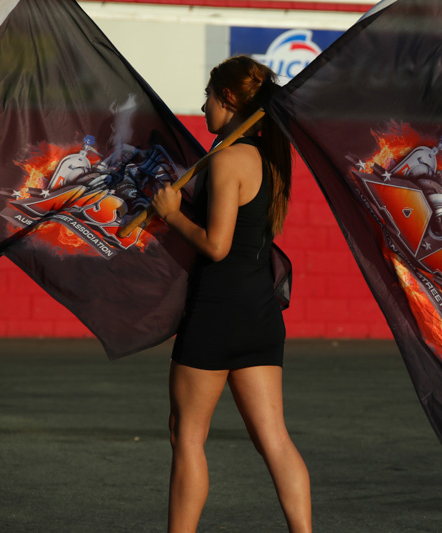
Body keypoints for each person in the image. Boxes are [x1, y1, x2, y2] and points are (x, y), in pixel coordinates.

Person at [151, 56, 311, 533]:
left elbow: (217, 246)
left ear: (229, 99)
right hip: (260, 315)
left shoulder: (226, 160)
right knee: (274, 440)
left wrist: (171, 215)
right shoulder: (269, 158)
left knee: (187, 437)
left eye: (208, 97)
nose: (203, 107)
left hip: (216, 315)